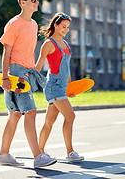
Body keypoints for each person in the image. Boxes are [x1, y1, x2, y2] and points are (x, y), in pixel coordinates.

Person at [0, 0, 57, 168]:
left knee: (15, 114)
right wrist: (6, 77)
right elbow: (6, 51)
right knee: (30, 112)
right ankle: (38, 156)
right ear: (23, 3)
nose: (37, 2)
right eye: (33, 0)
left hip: (27, 73)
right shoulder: (14, 24)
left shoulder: (32, 25)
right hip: (16, 73)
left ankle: (4, 154)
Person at [35, 12, 84, 161]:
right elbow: (38, 66)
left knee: (49, 121)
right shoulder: (49, 44)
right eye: (63, 26)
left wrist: (70, 87)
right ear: (55, 25)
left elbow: (67, 68)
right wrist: (27, 80)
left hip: (62, 87)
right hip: (53, 86)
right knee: (70, 115)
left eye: (68, 27)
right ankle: (70, 152)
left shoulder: (65, 44)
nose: (66, 30)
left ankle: (39, 152)